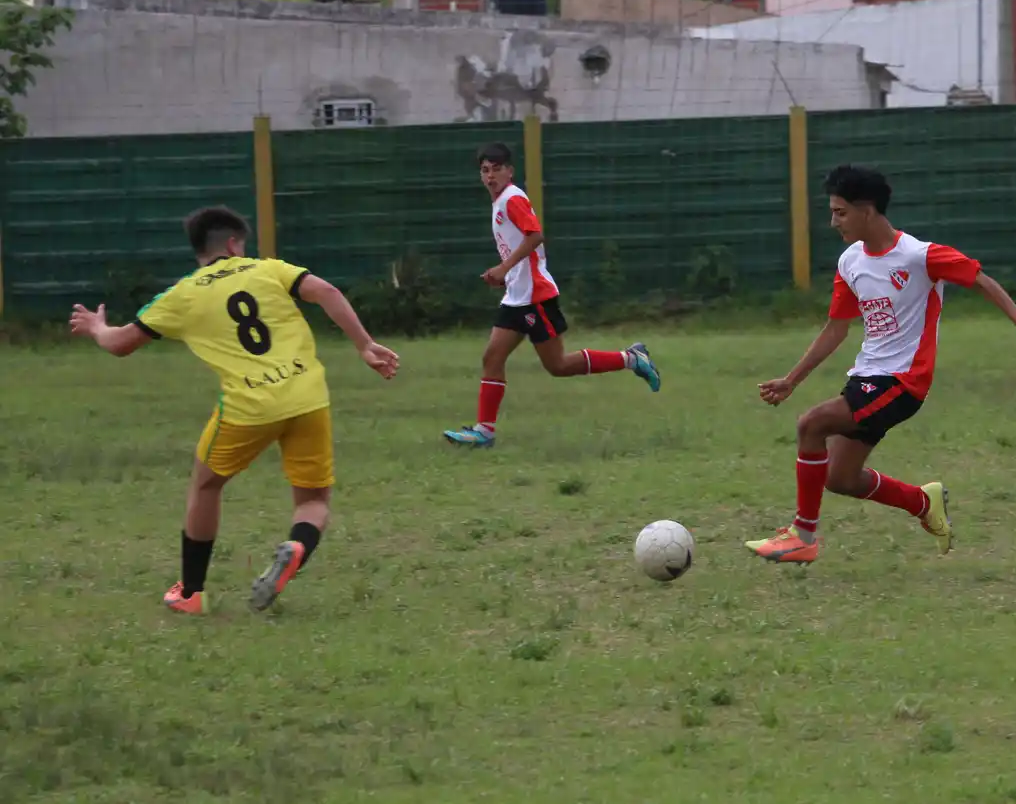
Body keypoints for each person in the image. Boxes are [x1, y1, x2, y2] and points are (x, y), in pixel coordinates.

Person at [68, 205, 400, 615]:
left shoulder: (182, 294)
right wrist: (364, 344)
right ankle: (296, 546)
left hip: (249, 407)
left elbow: (121, 344)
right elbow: (327, 292)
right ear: (232, 244)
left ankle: (191, 594)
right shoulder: (268, 269)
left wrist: (97, 328)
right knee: (313, 500)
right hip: (307, 396)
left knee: (206, 485)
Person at [746, 164, 1016, 564]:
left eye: (840, 212)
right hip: (866, 378)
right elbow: (836, 329)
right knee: (840, 478)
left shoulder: (920, 256)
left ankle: (802, 535)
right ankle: (923, 503)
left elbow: (980, 279)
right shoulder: (850, 261)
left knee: (811, 424)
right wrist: (791, 380)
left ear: (866, 210)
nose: (832, 221)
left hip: (904, 383)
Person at [443, 142, 661, 448]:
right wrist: (505, 275)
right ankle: (484, 432)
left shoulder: (511, 199)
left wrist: (504, 268)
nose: (490, 176)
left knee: (558, 366)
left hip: (535, 296)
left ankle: (631, 359)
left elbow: (535, 235)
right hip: (517, 296)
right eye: (484, 170)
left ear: (510, 171)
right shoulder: (500, 202)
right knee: (492, 356)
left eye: (496, 169)